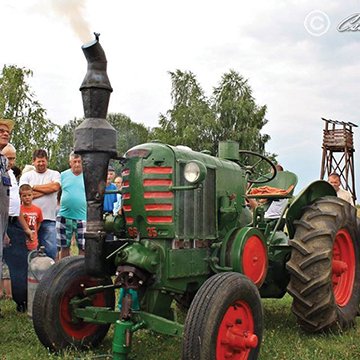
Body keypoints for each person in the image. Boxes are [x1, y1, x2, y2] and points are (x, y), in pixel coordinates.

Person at [2, 143, 33, 312]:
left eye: (13, 158)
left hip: (15, 223)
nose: (11, 161)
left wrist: (26, 228)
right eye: (8, 158)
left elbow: (16, 206)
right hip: (4, 224)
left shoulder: (12, 176)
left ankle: (22, 301)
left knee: (21, 264)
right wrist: (4, 230)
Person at [19, 149, 61, 260]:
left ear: (47, 160)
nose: (41, 163)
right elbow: (24, 194)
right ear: (33, 162)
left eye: (43, 161)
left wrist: (33, 187)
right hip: (29, 220)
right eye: (38, 161)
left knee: (51, 249)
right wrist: (47, 189)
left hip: (49, 218)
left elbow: (55, 187)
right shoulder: (27, 176)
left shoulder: (55, 174)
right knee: (31, 249)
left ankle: (51, 273)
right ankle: (31, 274)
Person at [56, 152, 86, 258]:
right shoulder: (63, 175)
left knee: (83, 247)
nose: (77, 164)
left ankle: (81, 272)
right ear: (70, 163)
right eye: (75, 162)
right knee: (64, 246)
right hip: (64, 215)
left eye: (79, 162)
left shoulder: (87, 175)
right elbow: (58, 191)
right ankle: (63, 270)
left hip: (83, 216)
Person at [20, 184, 43, 252]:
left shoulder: (37, 210)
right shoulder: (18, 209)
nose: (27, 197)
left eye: (29, 195)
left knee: (32, 259)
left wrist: (34, 232)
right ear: (20, 197)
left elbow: (39, 222)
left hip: (33, 241)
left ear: (33, 195)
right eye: (24, 196)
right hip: (21, 239)